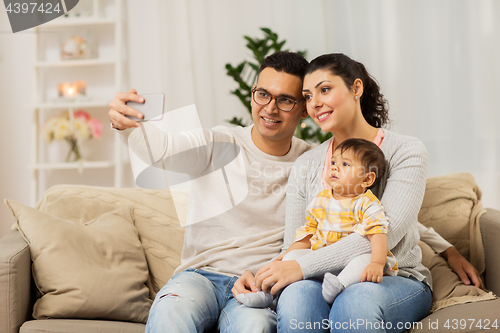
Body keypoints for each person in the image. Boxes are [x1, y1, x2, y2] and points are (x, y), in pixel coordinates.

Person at [250, 53, 482, 333]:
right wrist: (264, 274)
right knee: (296, 298)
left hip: (391, 277)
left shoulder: (406, 151)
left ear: (356, 88)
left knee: (355, 301)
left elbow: (388, 229)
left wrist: (447, 249)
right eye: (308, 96)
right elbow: (298, 241)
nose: (315, 104)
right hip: (318, 278)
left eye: (325, 90)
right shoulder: (306, 164)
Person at [108, 51, 311, 333]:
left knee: (256, 326)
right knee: (171, 312)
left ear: (304, 109)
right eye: (262, 94)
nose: (270, 108)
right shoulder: (218, 142)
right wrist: (124, 123)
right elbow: (162, 152)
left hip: (258, 286)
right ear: (253, 94)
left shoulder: (313, 163)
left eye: (285, 100)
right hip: (200, 277)